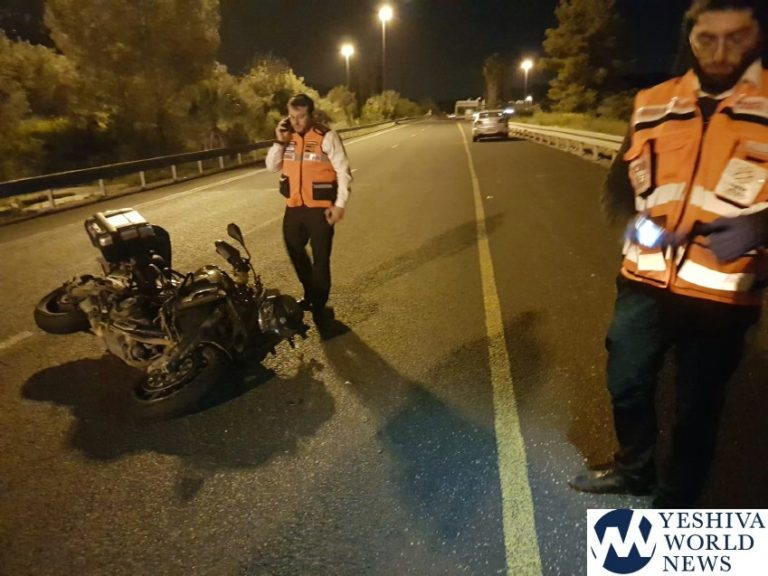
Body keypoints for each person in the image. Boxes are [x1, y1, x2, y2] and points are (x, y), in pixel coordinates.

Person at [569, 0, 768, 507]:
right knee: (626, 382)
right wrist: (637, 224)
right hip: (643, 281)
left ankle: (677, 498)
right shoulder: (653, 102)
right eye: (707, 38)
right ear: (689, 39)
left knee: (697, 407)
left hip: (723, 293)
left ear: (757, 37)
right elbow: (619, 189)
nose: (720, 52)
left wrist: (759, 227)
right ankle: (633, 470)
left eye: (736, 37)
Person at [265, 93, 352, 332]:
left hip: (320, 210)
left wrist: (340, 204)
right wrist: (279, 142)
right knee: (294, 249)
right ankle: (311, 293)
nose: (296, 122)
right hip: (294, 208)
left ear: (310, 115)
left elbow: (343, 171)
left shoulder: (326, 136)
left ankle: (320, 309)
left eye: (301, 116)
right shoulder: (287, 137)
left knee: (320, 261)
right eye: (292, 116)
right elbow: (271, 167)